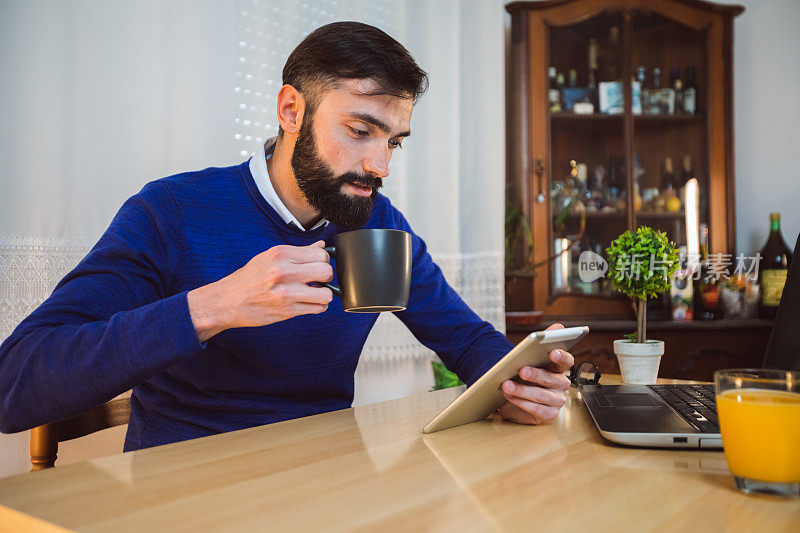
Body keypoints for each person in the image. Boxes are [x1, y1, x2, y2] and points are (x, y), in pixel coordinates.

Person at [0, 22, 573, 450]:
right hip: (184, 487)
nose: (380, 165)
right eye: (359, 130)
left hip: (322, 480)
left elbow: (467, 342)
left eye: (394, 141)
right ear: (291, 110)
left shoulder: (376, 223)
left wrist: (521, 381)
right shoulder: (171, 211)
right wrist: (215, 306)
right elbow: (15, 383)